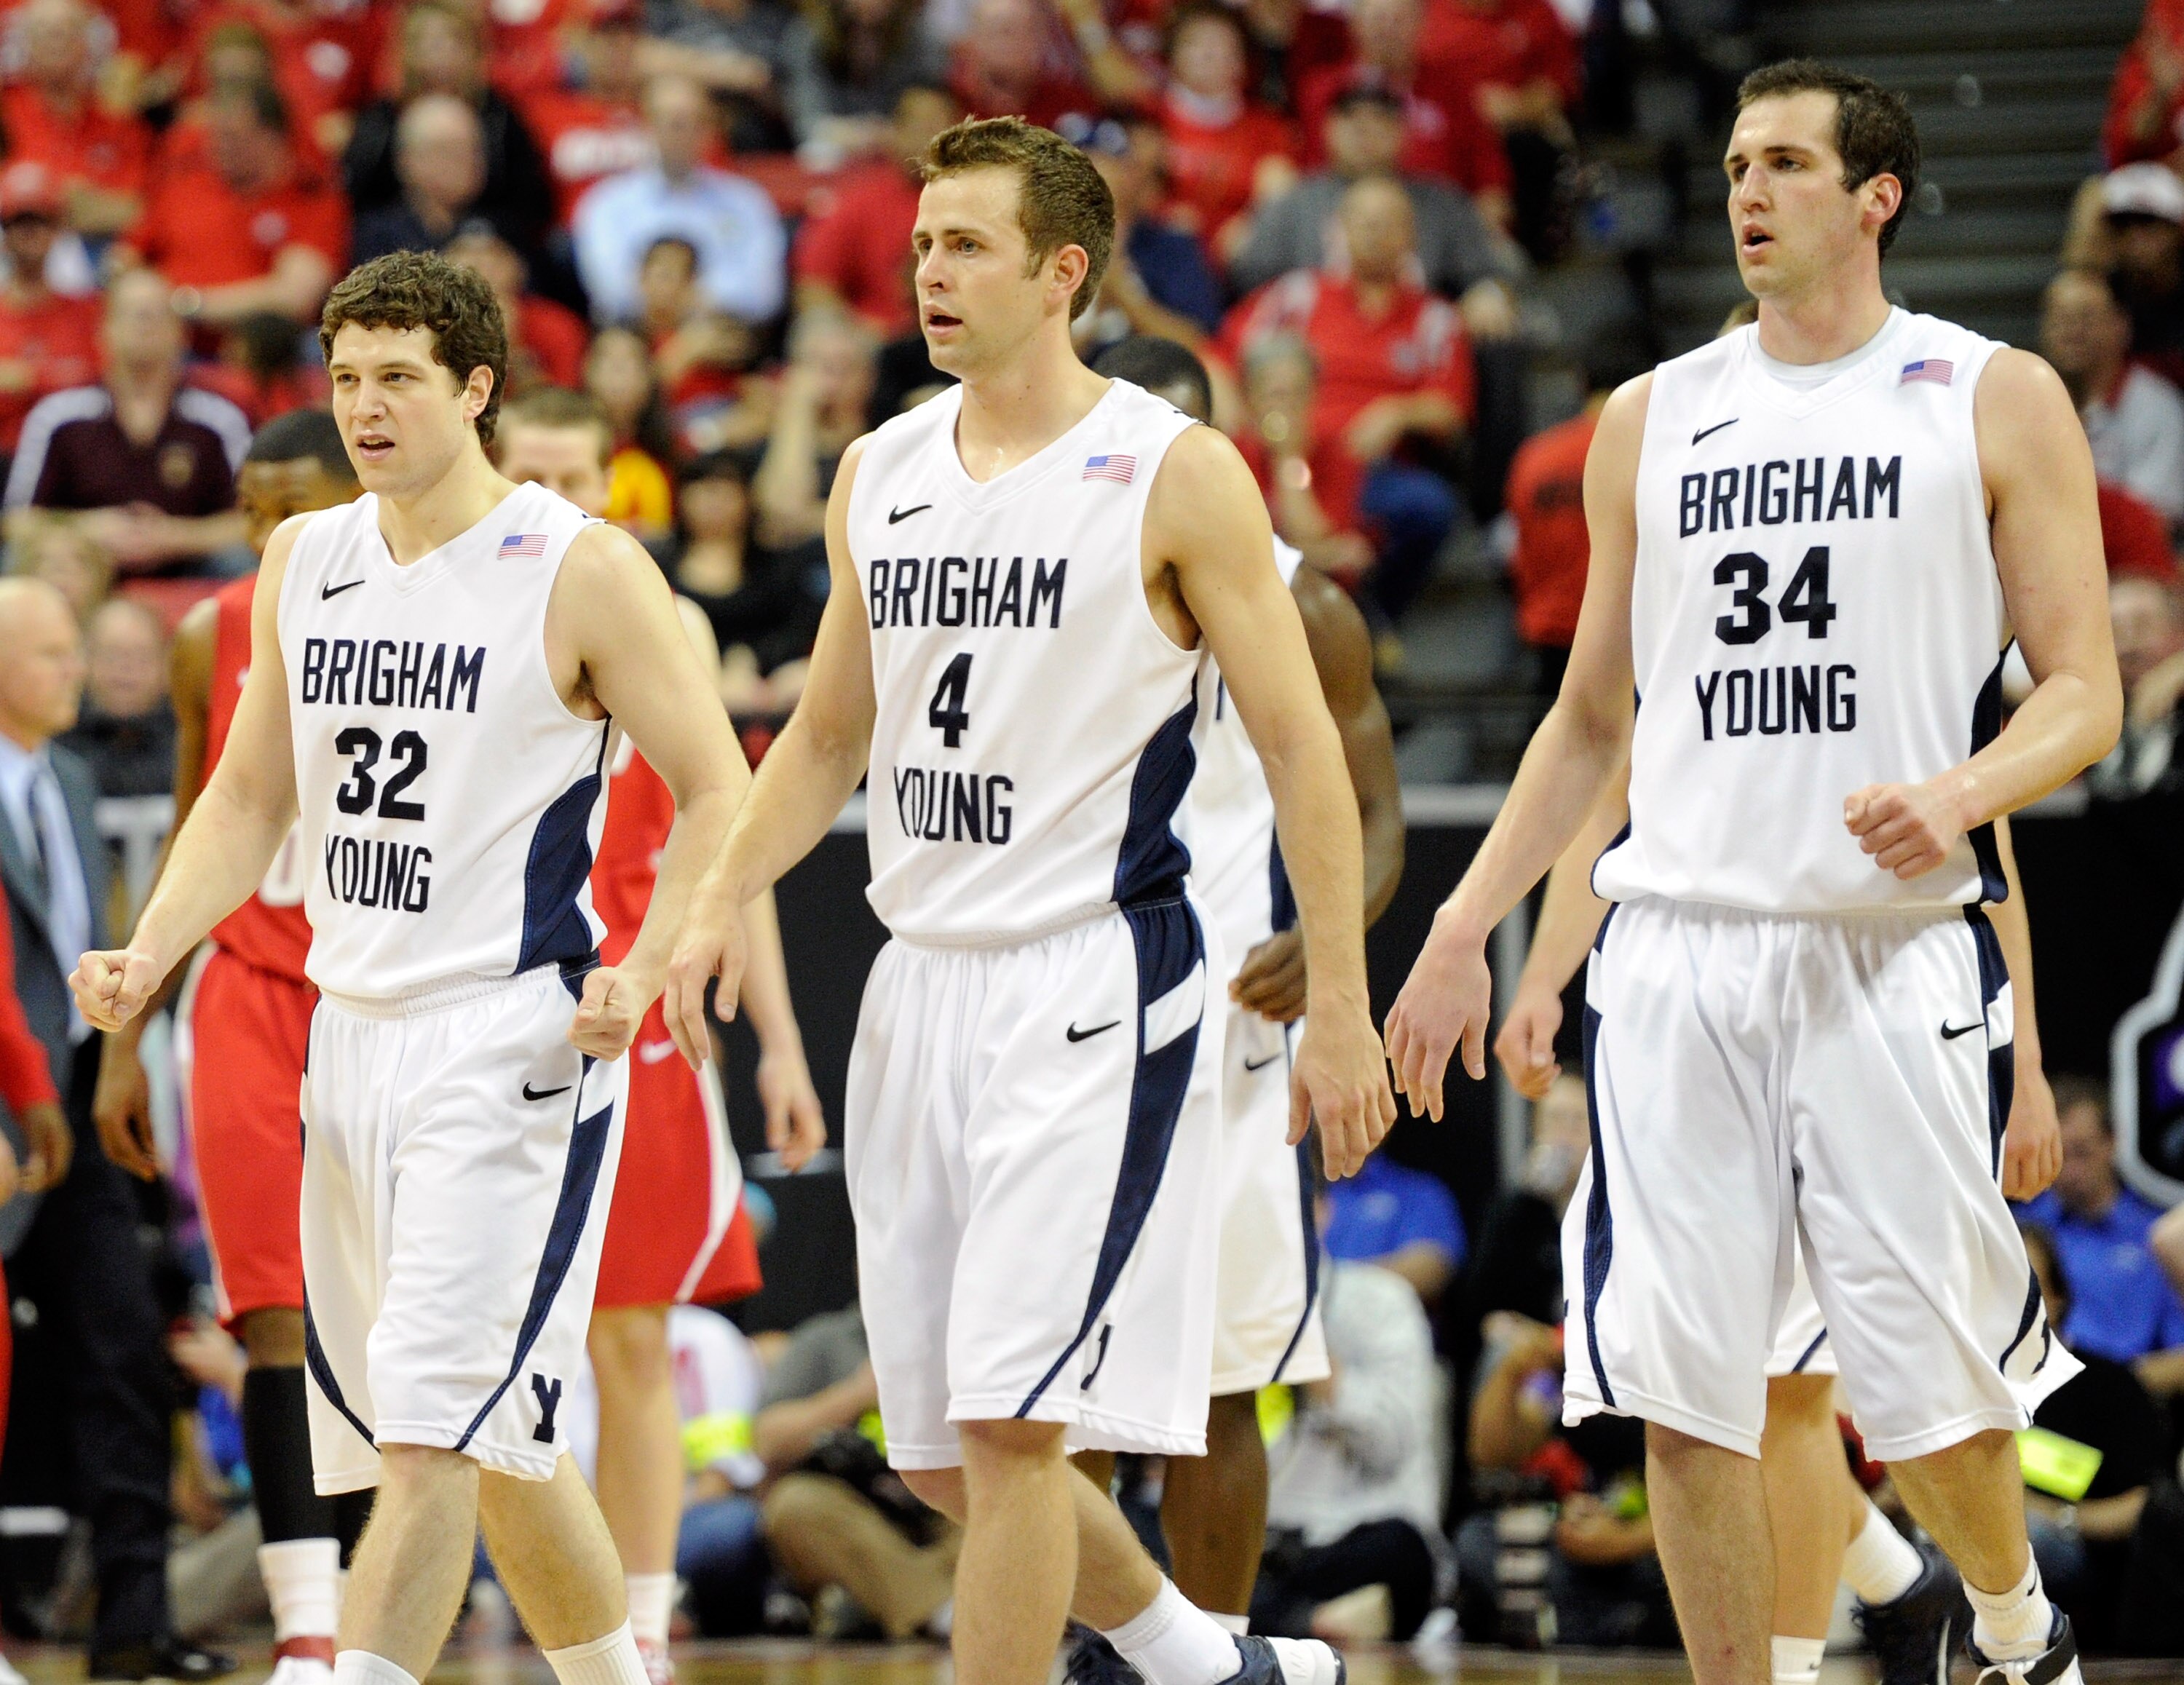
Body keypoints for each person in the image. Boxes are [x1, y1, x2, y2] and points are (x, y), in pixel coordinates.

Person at [1385, 60, 2121, 1685]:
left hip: (1887, 950)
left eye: (1787, 162)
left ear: (1877, 196)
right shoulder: (1650, 416)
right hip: (1681, 957)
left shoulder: (1986, 391)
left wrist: (1967, 789)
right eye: (1732, 162)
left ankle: (2009, 1615)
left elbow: (2086, 687)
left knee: (1932, 1389)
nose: (1746, 189)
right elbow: (1591, 720)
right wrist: (1463, 928)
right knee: (1687, 1387)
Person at [664, 114, 1393, 1685]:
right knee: (937, 1453)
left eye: (966, 244)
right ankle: (1213, 1664)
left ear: (1062, 271)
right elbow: (829, 733)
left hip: (1096, 976)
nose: (929, 269)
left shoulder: (1173, 469)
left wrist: (1342, 998)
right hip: (916, 975)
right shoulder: (879, 468)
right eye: (923, 242)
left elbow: (1306, 760)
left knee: (1010, 1427)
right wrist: (717, 897)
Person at [66, 248, 774, 1685]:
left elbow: (718, 782)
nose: (367, 407)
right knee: (496, 1443)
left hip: (508, 1038)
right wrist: (152, 948)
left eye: (399, 377)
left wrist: (647, 959)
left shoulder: (577, 564)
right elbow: (253, 793)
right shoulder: (302, 559)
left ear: (476, 388)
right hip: (353, 1036)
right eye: (346, 379)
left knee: (430, 1434)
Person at [1495, 757, 2066, 1685]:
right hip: (1691, 1012)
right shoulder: (1677, 639)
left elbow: (1985, 843)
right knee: (1704, 1395)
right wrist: (1539, 975)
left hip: (1859, 1003)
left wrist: (2027, 1061)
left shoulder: (1907, 654)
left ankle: (1920, 1620)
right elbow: (1605, 775)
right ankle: (1893, 1574)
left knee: (1795, 1392)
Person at [1068, 331, 1403, 1650]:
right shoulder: (1024, 578)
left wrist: (1334, 950)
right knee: (1056, 1390)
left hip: (1231, 1031)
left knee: (1226, 1383)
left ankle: (1214, 1659)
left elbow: (1376, 816)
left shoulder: (1300, 598)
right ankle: (1090, 1647)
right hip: (1064, 1010)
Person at [493, 384, 825, 1683]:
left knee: (631, 1334)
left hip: (636, 997)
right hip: (495, 996)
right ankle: (533, 1611)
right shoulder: (450, 602)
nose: (566, 495)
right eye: (541, 470)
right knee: (491, 1341)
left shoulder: (664, 617)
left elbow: (741, 855)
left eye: (587, 474)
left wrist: (783, 1047)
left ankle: (641, 1621)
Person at [92, 406, 363, 1685]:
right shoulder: (218, 633)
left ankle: (381, 1603)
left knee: (392, 1318)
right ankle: (308, 1628)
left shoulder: (428, 605)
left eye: (287, 504)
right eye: (250, 509)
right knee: (273, 1309)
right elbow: (210, 827)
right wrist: (122, 1042)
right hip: (252, 987)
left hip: (382, 988)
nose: (265, 533)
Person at [0, 576, 230, 1683]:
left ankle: (133, 1615)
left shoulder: (75, 772)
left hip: (76, 1102)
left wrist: (114, 1060)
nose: (75, 673)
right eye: (49, 654)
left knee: (123, 1346)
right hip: (3, 1109)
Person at [1219, 174, 1473, 626]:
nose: (1375, 234)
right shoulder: (1297, 295)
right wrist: (1239, 415)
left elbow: (1451, 409)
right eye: (1364, 222)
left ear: (1411, 236)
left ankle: (1372, 622)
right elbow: (1221, 354)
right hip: (1281, 449)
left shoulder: (1433, 318)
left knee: (1427, 506)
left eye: (1389, 223)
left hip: (1367, 470)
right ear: (1337, 229)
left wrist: (1397, 413)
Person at [4, 269, 252, 576]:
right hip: (85, 569)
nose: (144, 325)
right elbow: (17, 521)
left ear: (181, 333)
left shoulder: (218, 419)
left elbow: (251, 523)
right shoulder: (59, 416)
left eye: (156, 314)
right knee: (19, 558)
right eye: (133, 313)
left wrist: (176, 537)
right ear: (103, 329)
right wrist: (89, 528)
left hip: (190, 568)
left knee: (242, 560)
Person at [1230, 87, 1519, 319]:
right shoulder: (1294, 202)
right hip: (1313, 343)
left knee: (1496, 338)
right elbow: (1250, 280)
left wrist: (1488, 296)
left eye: (1380, 120)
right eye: (1352, 119)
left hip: (1416, 346)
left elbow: (1485, 274)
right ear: (1328, 129)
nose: (1365, 131)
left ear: (1403, 133)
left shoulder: (1441, 204)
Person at [118, 82, 349, 329]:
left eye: (233, 136)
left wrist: (187, 305)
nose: (218, 147)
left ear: (274, 137)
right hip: (167, 337)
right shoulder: (186, 185)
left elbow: (293, 298)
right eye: (215, 135)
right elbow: (127, 256)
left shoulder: (313, 201)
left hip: (255, 345)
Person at [571, 76, 787, 330]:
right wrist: (690, 301)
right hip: (638, 340)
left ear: (710, 129)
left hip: (726, 340)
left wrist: (682, 298)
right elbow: (611, 291)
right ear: (647, 125)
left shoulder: (746, 201)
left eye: (696, 123)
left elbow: (766, 294)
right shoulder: (607, 203)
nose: (685, 133)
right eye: (674, 123)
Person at [2014, 1079, 2184, 1365]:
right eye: (2059, 1155)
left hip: (2130, 1393)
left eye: (2082, 1152)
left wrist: (2114, 1386)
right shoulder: (2018, 1233)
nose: (2069, 1172)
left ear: (2112, 1142)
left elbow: (2179, 1353)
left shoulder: (2158, 1236)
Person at [794, 83, 966, 338]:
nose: (931, 138)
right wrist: (860, 337)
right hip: (878, 345)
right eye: (919, 126)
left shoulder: (980, 203)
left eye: (941, 126)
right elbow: (815, 288)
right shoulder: (859, 201)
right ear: (895, 131)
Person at [2038, 267, 2184, 528]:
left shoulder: (2157, 407)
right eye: (2060, 319)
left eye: (2085, 318)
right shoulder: (2028, 404)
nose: (2070, 332)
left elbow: (2155, 518)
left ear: (2122, 325)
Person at [0, 0, 153, 239]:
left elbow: (139, 210)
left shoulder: (120, 127)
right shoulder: (5, 114)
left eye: (67, 30)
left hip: (99, 254)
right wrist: (58, 199)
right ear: (23, 46)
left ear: (90, 42)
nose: (56, 39)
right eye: (43, 30)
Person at [0, 162, 100, 467]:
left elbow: (102, 383)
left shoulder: (89, 312)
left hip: (76, 461)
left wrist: (28, 377)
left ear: (58, 230)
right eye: (19, 221)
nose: (30, 231)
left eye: (41, 220)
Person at [350, 97, 500, 266]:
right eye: (451, 151)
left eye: (475, 150)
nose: (469, 161)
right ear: (409, 160)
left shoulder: (499, 230)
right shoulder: (377, 236)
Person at [57, 598, 174, 798]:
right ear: (84, 660)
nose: (126, 668)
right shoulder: (54, 741)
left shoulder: (190, 742)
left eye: (142, 656)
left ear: (166, 665)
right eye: (113, 655)